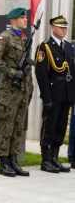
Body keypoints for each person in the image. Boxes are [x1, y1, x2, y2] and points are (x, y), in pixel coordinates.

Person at [0, 7, 33, 177]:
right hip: (9, 89)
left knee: (18, 127)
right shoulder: (4, 37)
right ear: (13, 20)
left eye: (25, 17)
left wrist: (30, 86)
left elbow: (27, 66)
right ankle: (3, 162)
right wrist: (13, 72)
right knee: (6, 126)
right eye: (22, 18)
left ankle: (14, 161)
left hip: (22, 90)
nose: (25, 20)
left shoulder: (25, 39)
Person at [35, 15, 75, 173]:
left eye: (65, 27)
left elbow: (72, 72)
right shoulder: (45, 47)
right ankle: (45, 160)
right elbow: (41, 75)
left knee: (60, 127)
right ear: (53, 28)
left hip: (66, 94)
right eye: (61, 27)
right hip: (53, 93)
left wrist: (72, 95)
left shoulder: (67, 46)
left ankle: (54, 158)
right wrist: (47, 98)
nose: (64, 29)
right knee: (49, 126)